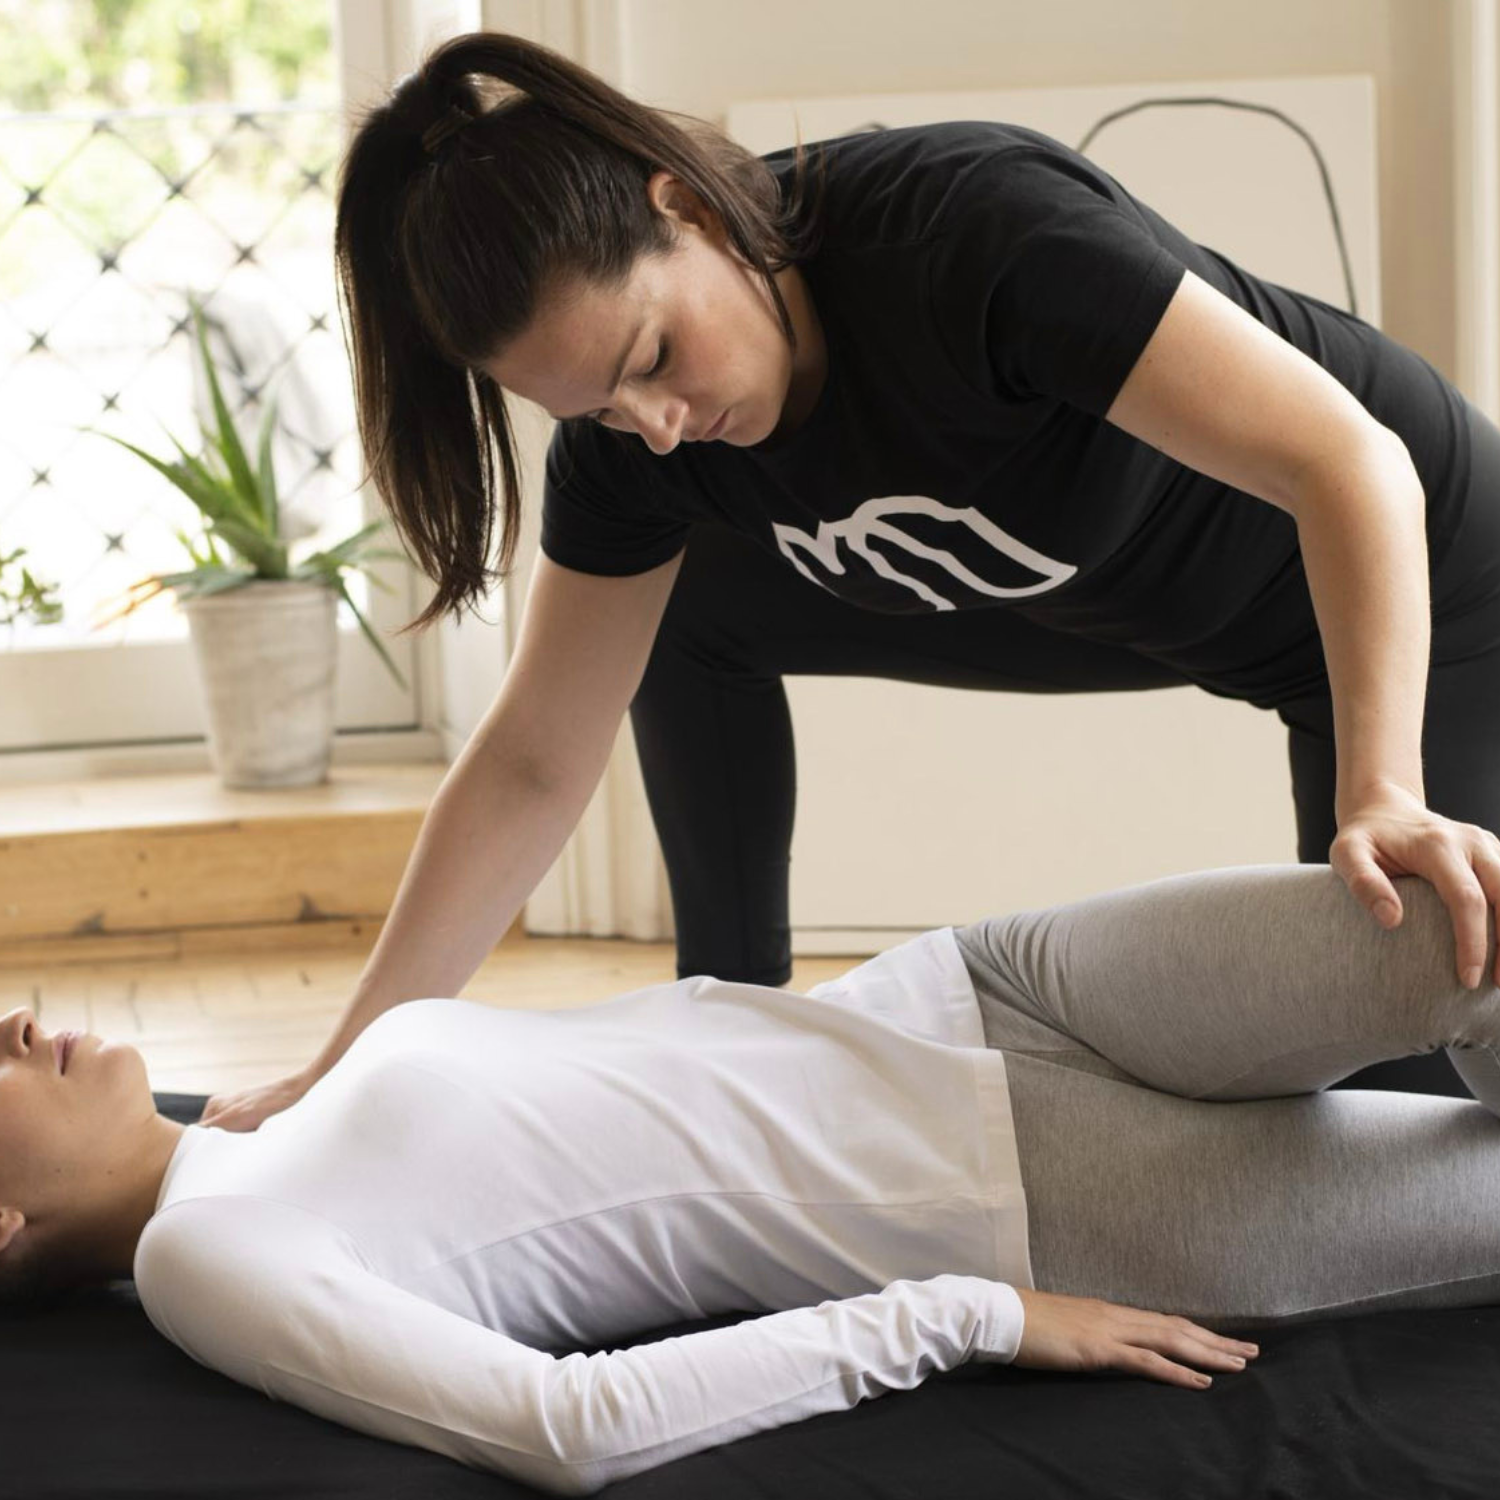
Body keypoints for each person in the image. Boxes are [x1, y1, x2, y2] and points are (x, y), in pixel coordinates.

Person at [200, 29, 1500, 1133]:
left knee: (1403, 1087)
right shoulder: (639, 449)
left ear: (692, 209)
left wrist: (1381, 788)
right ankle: (737, 1024)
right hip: (1098, 590)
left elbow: (1353, 464)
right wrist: (342, 1068)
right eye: (597, 406)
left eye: (655, 355)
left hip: (1416, 576)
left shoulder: (974, 239)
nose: (655, 422)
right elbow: (538, 755)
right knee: (680, 614)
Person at [4, 863, 1499, 1493]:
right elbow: (565, 1430)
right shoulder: (207, 1257)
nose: (10, 1020)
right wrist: (968, 1313)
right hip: (1051, 1191)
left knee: (1469, 914)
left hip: (977, 989)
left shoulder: (255, 1133)